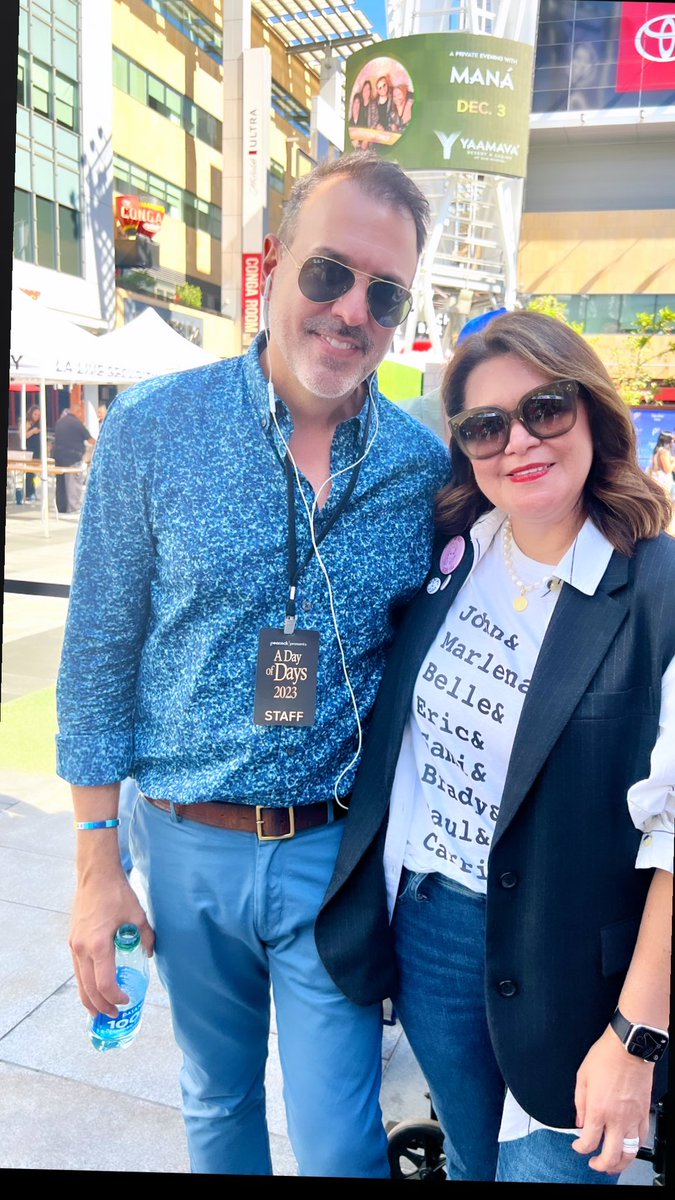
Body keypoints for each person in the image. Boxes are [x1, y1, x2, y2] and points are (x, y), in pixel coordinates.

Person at [55, 150, 451, 1178]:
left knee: (340, 1145)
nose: (352, 309)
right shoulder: (153, 428)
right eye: (329, 273)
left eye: (385, 292)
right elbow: (97, 659)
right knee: (215, 1104)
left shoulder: (423, 470)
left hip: (335, 858)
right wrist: (100, 869)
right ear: (275, 267)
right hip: (184, 848)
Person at [316, 310, 673, 1185]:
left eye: (544, 409)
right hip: (433, 933)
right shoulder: (453, 562)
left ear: (590, 412)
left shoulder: (658, 586)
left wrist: (634, 1038)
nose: (518, 441)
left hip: (576, 971)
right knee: (474, 1164)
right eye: (485, 425)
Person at [53, 402, 94, 514]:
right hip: (73, 457)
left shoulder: (59, 422)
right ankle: (74, 507)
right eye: (81, 413)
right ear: (78, 412)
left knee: (60, 484)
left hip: (59, 456)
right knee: (73, 484)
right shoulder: (77, 423)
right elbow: (90, 440)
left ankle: (61, 507)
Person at [24, 403, 41, 502]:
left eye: (38, 415)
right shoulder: (27, 423)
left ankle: (33, 491)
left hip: (37, 450)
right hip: (29, 450)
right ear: (31, 414)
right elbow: (23, 436)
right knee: (29, 473)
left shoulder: (38, 424)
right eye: (35, 414)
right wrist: (32, 432)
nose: (37, 417)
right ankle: (28, 492)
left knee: (35, 473)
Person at [648, 432, 674, 496]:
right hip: (663, 482)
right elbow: (667, 470)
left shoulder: (657, 450)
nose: (673, 442)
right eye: (672, 440)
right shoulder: (663, 452)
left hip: (658, 481)